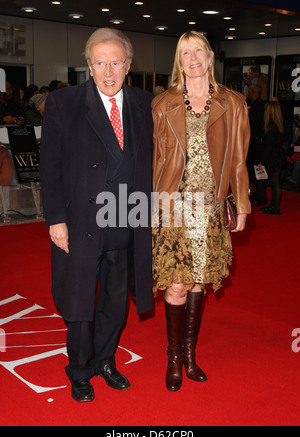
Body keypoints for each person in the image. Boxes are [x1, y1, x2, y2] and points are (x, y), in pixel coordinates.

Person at [40, 27, 153, 402]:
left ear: (128, 65)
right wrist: (55, 218)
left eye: (116, 62)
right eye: (101, 62)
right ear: (89, 66)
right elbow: (50, 167)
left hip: (127, 219)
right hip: (81, 222)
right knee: (80, 299)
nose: (109, 71)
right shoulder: (63, 103)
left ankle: (106, 360)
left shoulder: (142, 103)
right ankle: (80, 370)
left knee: (115, 301)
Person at [151, 30, 250, 392]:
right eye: (185, 53)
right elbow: (153, 158)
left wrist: (240, 205)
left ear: (210, 56)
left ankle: (190, 355)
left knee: (197, 282)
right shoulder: (163, 103)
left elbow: (239, 159)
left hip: (208, 207)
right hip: (172, 206)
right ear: (178, 61)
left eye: (198, 51)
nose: (192, 59)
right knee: (175, 284)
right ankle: (174, 357)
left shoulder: (233, 102)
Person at [258, 101, 286, 214]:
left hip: (273, 157)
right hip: (278, 156)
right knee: (274, 182)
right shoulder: (278, 126)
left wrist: (262, 162)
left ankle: (275, 207)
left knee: (274, 182)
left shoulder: (271, 128)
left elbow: (268, 147)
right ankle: (273, 206)